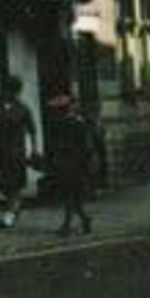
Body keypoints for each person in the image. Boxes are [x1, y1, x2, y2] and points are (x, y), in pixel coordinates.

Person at [0, 73, 38, 228]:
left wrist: (34, 150)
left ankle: (10, 213)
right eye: (6, 91)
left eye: (12, 91)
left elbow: (32, 130)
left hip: (16, 153)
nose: (7, 94)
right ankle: (15, 206)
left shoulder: (23, 109)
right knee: (2, 184)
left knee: (14, 184)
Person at [46, 92, 95, 236]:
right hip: (71, 163)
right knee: (74, 197)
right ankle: (85, 220)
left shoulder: (73, 124)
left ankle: (67, 226)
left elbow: (86, 146)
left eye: (60, 109)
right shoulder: (75, 123)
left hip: (72, 164)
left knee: (69, 196)